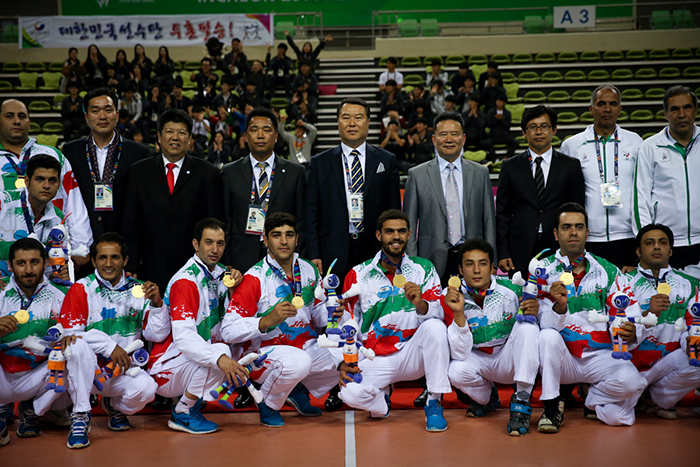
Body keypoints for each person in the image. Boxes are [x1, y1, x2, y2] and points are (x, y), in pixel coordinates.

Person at [537, 202, 647, 432]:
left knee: (633, 382)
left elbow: (630, 311)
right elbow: (541, 324)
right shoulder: (542, 270)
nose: (573, 232)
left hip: (599, 355)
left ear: (588, 233)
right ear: (556, 234)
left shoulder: (607, 270)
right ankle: (551, 405)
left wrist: (634, 330)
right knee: (547, 337)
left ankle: (592, 398)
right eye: (566, 227)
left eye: (579, 227)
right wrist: (559, 307)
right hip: (562, 357)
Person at [223, 212, 340, 426]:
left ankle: (296, 389)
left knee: (348, 350)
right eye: (276, 235)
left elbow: (318, 313)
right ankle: (268, 401)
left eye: (289, 235)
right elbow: (228, 330)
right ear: (266, 240)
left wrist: (333, 312)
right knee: (299, 362)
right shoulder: (254, 278)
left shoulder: (309, 269)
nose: (284, 241)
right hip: (262, 357)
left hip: (303, 346)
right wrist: (266, 320)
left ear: (297, 238)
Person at [338, 209, 450, 432]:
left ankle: (434, 401)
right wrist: (347, 358)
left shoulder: (424, 269)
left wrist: (420, 303)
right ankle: (381, 404)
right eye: (389, 232)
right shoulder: (358, 273)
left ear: (409, 234)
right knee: (348, 393)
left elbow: (440, 314)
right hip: (374, 356)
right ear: (379, 235)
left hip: (412, 354)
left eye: (401, 231)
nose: (396, 236)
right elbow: (347, 323)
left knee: (435, 327)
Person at [59, 233, 170, 431]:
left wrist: (157, 305)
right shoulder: (80, 289)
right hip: (86, 372)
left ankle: (114, 406)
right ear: (93, 261)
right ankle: (80, 415)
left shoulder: (140, 290)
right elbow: (71, 337)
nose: (108, 264)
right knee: (74, 348)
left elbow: (157, 335)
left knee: (148, 390)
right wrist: (110, 347)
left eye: (115, 257)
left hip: (122, 370)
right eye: (102, 257)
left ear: (125, 260)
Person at [149, 218, 246, 434]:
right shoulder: (186, 281)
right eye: (208, 242)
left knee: (232, 349)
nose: (215, 249)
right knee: (220, 352)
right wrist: (220, 359)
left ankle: (191, 398)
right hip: (165, 368)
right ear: (196, 244)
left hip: (186, 362)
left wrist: (234, 288)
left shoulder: (221, 273)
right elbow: (183, 338)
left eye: (220, 243)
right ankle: (183, 411)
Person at [0, 238, 96, 448]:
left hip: (41, 376)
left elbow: (76, 332)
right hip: (4, 379)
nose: (28, 269)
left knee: (78, 345)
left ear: (45, 263)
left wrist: (67, 337)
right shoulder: (1, 292)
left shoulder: (61, 293)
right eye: (21, 263)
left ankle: (78, 416)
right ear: (10, 266)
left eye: (34, 262)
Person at [444, 239, 539, 436]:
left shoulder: (513, 290)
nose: (476, 270)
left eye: (483, 263)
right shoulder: (448, 296)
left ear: (493, 268)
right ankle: (488, 399)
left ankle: (521, 401)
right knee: (455, 370)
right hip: (477, 359)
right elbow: (460, 353)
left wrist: (536, 310)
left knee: (528, 327)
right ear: (460, 270)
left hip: (508, 359)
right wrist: (459, 313)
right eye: (469, 264)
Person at [122, 108, 223, 292]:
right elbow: (131, 221)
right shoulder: (139, 172)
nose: (175, 137)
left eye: (182, 133)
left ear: (190, 139)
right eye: (169, 131)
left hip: (194, 270)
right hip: (150, 267)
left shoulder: (207, 173)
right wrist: (132, 263)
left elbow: (214, 222)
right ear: (159, 137)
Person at [306, 97, 401, 280]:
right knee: (336, 306)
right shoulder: (320, 163)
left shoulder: (386, 160)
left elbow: (394, 211)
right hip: (332, 252)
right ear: (338, 122)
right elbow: (311, 213)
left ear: (368, 122)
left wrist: (392, 250)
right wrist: (313, 253)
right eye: (345, 117)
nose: (352, 123)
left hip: (376, 251)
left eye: (358, 118)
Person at [404, 112, 496, 285]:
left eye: (454, 134)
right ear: (433, 139)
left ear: (463, 138)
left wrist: (492, 261)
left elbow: (489, 221)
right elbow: (409, 224)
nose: (449, 139)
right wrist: (412, 265)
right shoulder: (417, 175)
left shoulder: (480, 173)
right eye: (443, 134)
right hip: (430, 260)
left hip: (473, 261)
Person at [0, 99, 92, 267]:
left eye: (22, 116)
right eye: (9, 116)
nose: (16, 121)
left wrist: (81, 245)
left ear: (29, 121)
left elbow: (73, 201)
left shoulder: (52, 155)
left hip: (50, 256)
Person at [496, 105, 585, 276]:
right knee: (523, 300)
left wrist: (577, 248)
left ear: (554, 130)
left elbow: (577, 210)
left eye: (544, 126)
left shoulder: (570, 166)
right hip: (520, 249)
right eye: (532, 127)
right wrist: (503, 252)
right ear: (524, 132)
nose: (538, 131)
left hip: (560, 246)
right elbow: (503, 214)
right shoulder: (510, 166)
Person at [560, 85, 642, 269]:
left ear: (620, 109)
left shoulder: (636, 142)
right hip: (589, 237)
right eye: (601, 104)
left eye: (613, 104)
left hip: (627, 235)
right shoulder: (572, 146)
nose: (607, 109)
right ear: (591, 109)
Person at [625, 223, 700, 419]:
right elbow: (617, 329)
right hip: (628, 365)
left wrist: (693, 347)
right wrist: (647, 314)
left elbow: (692, 327)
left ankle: (655, 398)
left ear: (671, 250)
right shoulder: (623, 282)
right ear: (638, 251)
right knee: (613, 413)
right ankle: (637, 394)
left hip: (667, 365)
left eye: (662, 242)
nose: (657, 247)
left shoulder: (690, 285)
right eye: (649, 243)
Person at [63, 87, 150, 254]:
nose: (102, 116)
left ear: (117, 116)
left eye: (108, 110)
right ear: (87, 118)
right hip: (83, 246)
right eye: (95, 111)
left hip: (123, 245)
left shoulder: (139, 152)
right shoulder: (71, 151)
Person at [222, 108, 306, 274]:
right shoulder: (229, 172)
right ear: (246, 136)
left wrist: (300, 258)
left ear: (276, 136)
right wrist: (227, 261)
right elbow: (226, 220)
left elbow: (302, 220)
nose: (260, 135)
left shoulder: (296, 172)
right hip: (241, 259)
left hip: (284, 257)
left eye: (266, 130)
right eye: (254, 130)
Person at [634, 86, 700, 269]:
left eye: (687, 108)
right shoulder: (650, 147)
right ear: (665, 114)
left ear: (695, 110)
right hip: (667, 245)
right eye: (674, 109)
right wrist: (647, 241)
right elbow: (641, 198)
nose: (681, 114)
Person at [0, 155, 76, 284]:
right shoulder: (3, 201)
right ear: (27, 181)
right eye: (40, 179)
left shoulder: (58, 218)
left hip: (34, 291)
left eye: (52, 180)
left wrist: (57, 274)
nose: (46, 185)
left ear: (58, 184)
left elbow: (53, 267)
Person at [485, 93, 518, 161]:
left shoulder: (507, 113)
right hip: (493, 136)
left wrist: (501, 119)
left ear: (504, 103)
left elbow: (507, 125)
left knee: (515, 142)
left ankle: (506, 157)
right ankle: (495, 159)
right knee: (487, 143)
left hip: (504, 136)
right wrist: (496, 119)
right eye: (497, 100)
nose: (498, 102)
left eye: (500, 101)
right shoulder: (491, 112)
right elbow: (488, 124)